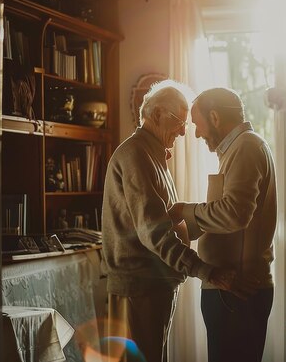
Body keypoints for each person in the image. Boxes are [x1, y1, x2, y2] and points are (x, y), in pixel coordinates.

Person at [100, 80, 239, 362]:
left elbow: (169, 218)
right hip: (140, 288)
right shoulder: (136, 155)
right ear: (156, 114)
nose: (184, 130)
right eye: (179, 120)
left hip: (153, 285)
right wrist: (203, 269)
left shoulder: (152, 155)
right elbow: (155, 231)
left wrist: (207, 218)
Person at [168, 87, 278, 362]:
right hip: (232, 290)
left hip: (235, 290)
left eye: (197, 124)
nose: (195, 133)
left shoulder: (246, 147)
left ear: (215, 117)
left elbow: (234, 213)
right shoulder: (241, 148)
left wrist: (184, 210)